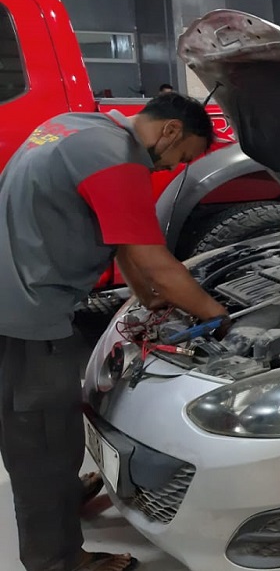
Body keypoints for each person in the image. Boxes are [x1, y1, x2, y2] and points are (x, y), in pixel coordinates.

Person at [0, 93, 231, 571]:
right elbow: (155, 261)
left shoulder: (75, 125)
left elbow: (122, 240)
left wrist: (147, 299)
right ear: (169, 131)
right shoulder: (118, 160)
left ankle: (63, 495)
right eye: (181, 156)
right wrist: (218, 315)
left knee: (52, 428)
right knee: (40, 443)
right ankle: (58, 560)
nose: (171, 167)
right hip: (25, 316)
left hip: (14, 289)